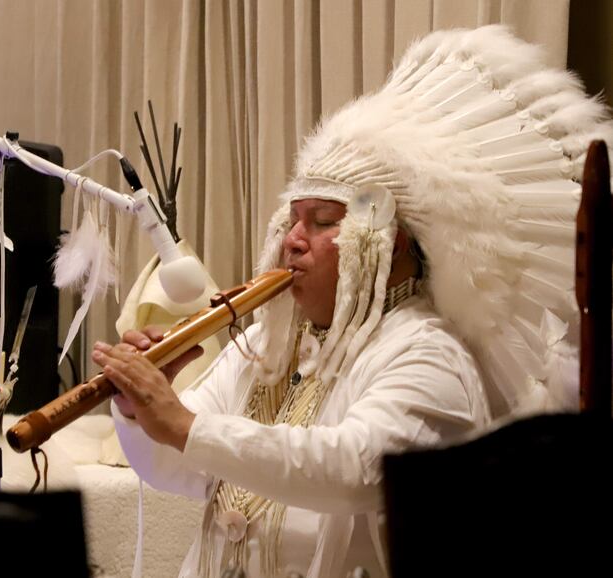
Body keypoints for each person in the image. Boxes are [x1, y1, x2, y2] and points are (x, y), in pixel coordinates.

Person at [92, 25, 610, 578]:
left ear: (388, 244)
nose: (293, 239)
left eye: (322, 222)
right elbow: (181, 468)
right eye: (292, 219)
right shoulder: (270, 345)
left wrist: (184, 424)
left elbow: (359, 467)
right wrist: (142, 407)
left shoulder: (428, 351)